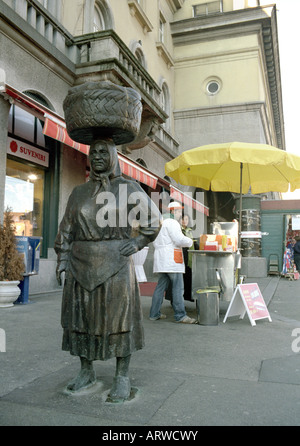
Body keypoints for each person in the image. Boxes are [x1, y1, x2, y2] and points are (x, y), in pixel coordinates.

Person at [54, 139, 161, 402]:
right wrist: (62, 259)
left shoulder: (128, 187)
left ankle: (122, 375)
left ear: (114, 156)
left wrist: (137, 242)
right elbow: (67, 228)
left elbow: (153, 222)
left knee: (119, 320)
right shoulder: (78, 192)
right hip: (80, 264)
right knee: (81, 319)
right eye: (94, 152)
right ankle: (86, 370)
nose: (98, 156)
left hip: (115, 264)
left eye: (104, 152)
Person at [149, 202, 197, 324]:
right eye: (179, 211)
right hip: (172, 260)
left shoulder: (159, 222)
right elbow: (179, 239)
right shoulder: (172, 222)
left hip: (161, 260)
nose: (180, 214)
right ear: (172, 211)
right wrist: (190, 241)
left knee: (160, 288)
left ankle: (154, 314)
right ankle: (180, 315)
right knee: (178, 288)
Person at [180, 214, 194, 301]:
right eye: (183, 219)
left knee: (188, 276)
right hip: (182, 255)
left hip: (190, 256)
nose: (185, 221)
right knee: (182, 278)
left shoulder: (189, 231)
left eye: (186, 219)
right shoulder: (178, 229)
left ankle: (187, 296)